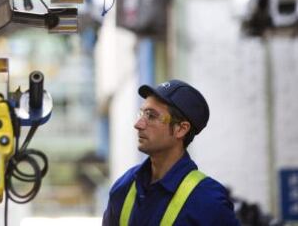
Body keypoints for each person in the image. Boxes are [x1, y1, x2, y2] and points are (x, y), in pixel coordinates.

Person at [102, 79, 240, 226]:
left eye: (151, 116)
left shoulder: (208, 201)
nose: (138, 124)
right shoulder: (124, 187)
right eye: (141, 113)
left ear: (181, 129)